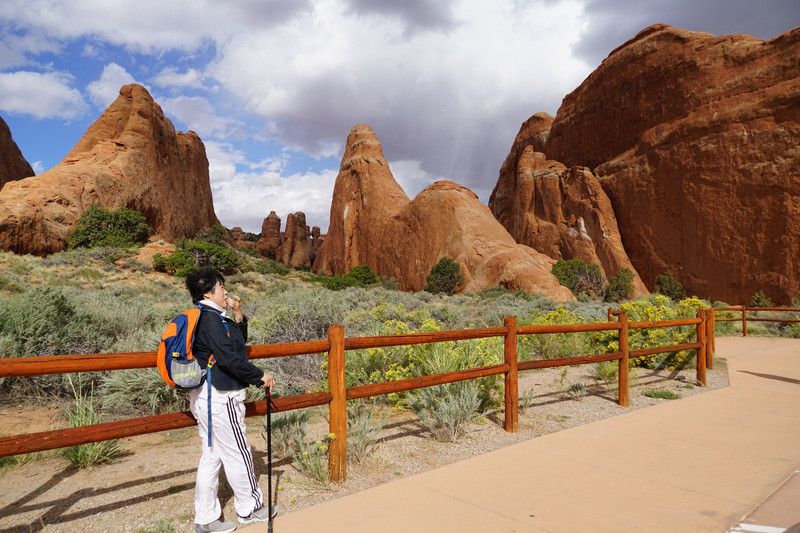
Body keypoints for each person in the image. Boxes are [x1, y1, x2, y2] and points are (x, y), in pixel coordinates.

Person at [185, 267, 276, 533]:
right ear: (207, 292)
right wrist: (260, 376)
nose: (226, 290)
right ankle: (250, 509)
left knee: (211, 456)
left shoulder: (214, 316)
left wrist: (238, 316)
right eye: (221, 286)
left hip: (208, 397)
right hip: (221, 398)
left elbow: (236, 347)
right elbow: (230, 359)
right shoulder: (211, 319)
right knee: (239, 453)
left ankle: (205, 519)